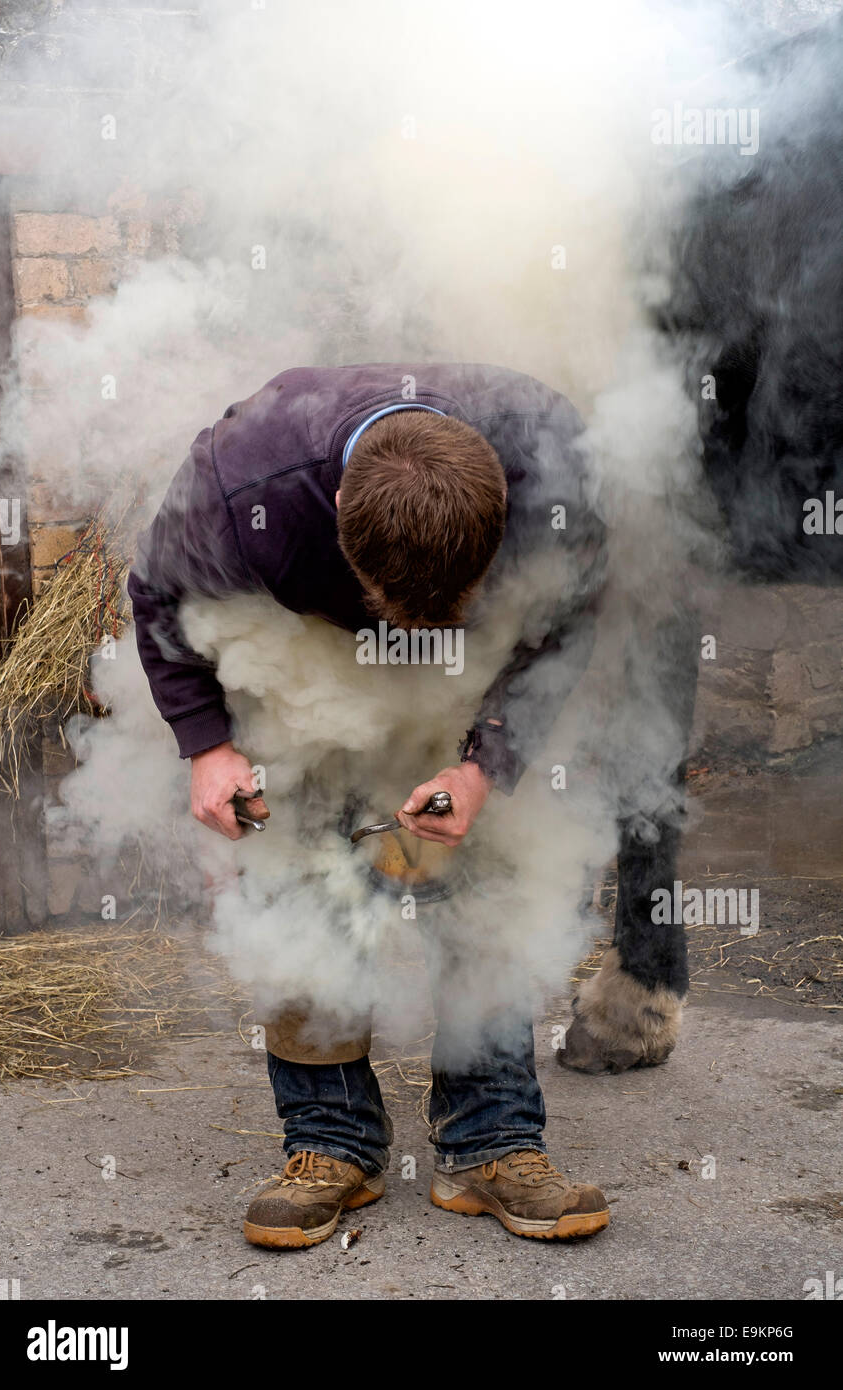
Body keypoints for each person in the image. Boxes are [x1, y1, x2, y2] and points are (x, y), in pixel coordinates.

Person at [129, 361, 611, 1247]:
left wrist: (483, 767)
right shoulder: (243, 483)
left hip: (464, 689)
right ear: (340, 500)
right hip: (304, 675)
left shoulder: (553, 464)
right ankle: (330, 1142)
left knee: (492, 867)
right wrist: (208, 746)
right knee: (301, 870)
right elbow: (158, 593)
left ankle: (493, 1142)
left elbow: (570, 619)